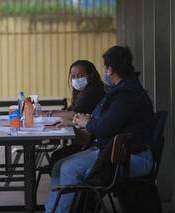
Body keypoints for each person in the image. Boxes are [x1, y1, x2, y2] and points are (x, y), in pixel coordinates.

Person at [44, 46, 154, 213]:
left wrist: (87, 122)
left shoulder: (127, 95)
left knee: (69, 168)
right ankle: (52, 210)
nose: (104, 71)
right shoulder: (121, 91)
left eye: (105, 67)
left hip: (130, 157)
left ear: (110, 69)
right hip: (114, 152)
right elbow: (101, 120)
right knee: (59, 165)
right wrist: (78, 122)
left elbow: (104, 126)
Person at [49, 60, 105, 168]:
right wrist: (49, 113)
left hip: (92, 142)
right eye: (73, 77)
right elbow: (70, 111)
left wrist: (49, 115)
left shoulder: (93, 92)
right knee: (57, 156)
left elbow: (74, 113)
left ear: (90, 75)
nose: (76, 80)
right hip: (87, 138)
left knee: (57, 158)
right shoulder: (82, 92)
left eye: (80, 76)